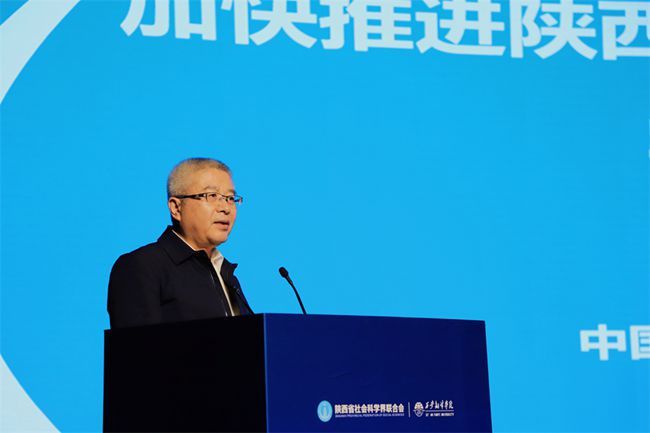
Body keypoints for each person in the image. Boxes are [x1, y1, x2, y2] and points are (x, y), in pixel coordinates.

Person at [107, 158, 253, 329]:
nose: (225, 208)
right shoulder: (141, 266)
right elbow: (136, 344)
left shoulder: (227, 276)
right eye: (212, 196)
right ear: (176, 208)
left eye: (230, 198)